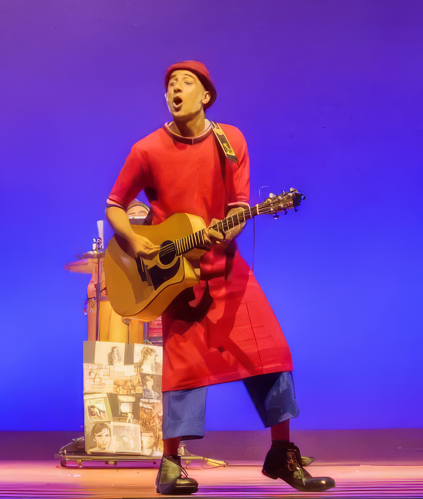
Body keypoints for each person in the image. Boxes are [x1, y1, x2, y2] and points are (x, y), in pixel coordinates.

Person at [105, 61, 334, 495]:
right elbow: (115, 204)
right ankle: (170, 465)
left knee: (271, 353)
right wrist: (134, 241)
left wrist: (224, 232)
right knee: (182, 369)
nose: (175, 90)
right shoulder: (147, 149)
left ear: (206, 95)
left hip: (227, 271)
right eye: (170, 85)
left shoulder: (231, 141)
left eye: (185, 83)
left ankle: (281, 455)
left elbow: (238, 207)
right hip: (178, 278)